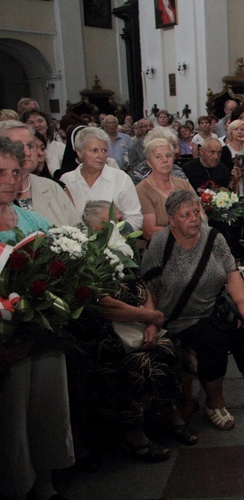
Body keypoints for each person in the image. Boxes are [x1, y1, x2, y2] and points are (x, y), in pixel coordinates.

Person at [141, 190, 244, 431]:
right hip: (180, 317)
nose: (194, 218)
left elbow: (232, 272)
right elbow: (149, 288)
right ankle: (215, 402)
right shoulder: (161, 243)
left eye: (196, 212)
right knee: (212, 339)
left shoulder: (214, 237)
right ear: (171, 219)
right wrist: (152, 321)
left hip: (214, 307)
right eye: (185, 215)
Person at [73, 200, 193, 462]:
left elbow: (146, 287)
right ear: (92, 227)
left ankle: (172, 417)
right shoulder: (86, 259)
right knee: (135, 364)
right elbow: (104, 305)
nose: (117, 227)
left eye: (118, 221)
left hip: (139, 324)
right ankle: (133, 434)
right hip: (108, 332)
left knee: (167, 350)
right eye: (109, 223)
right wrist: (149, 316)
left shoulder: (125, 251)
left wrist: (151, 323)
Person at [0, 136, 73, 500]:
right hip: (6, 345)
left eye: (15, 172)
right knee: (10, 422)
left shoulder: (33, 220)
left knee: (45, 411)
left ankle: (45, 482)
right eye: (1, 172)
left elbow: (62, 269)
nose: (10, 179)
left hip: (42, 334)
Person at [61, 126, 143, 231]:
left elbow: (135, 218)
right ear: (79, 152)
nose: (101, 156)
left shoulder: (121, 178)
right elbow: (62, 217)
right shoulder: (67, 180)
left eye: (104, 150)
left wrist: (114, 236)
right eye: (94, 150)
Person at [0, 120, 79, 226]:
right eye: (17, 146)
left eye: (30, 146)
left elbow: (77, 230)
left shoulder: (52, 187)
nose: (27, 153)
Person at [136, 137, 197, 240]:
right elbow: (149, 231)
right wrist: (184, 232)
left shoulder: (183, 184)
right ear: (149, 163)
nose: (165, 160)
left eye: (168, 155)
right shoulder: (142, 190)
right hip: (161, 247)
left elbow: (202, 216)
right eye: (158, 157)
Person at [21, 108, 65, 177]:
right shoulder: (23, 149)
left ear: (47, 124)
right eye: (31, 122)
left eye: (40, 121)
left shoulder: (60, 147)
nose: (37, 125)